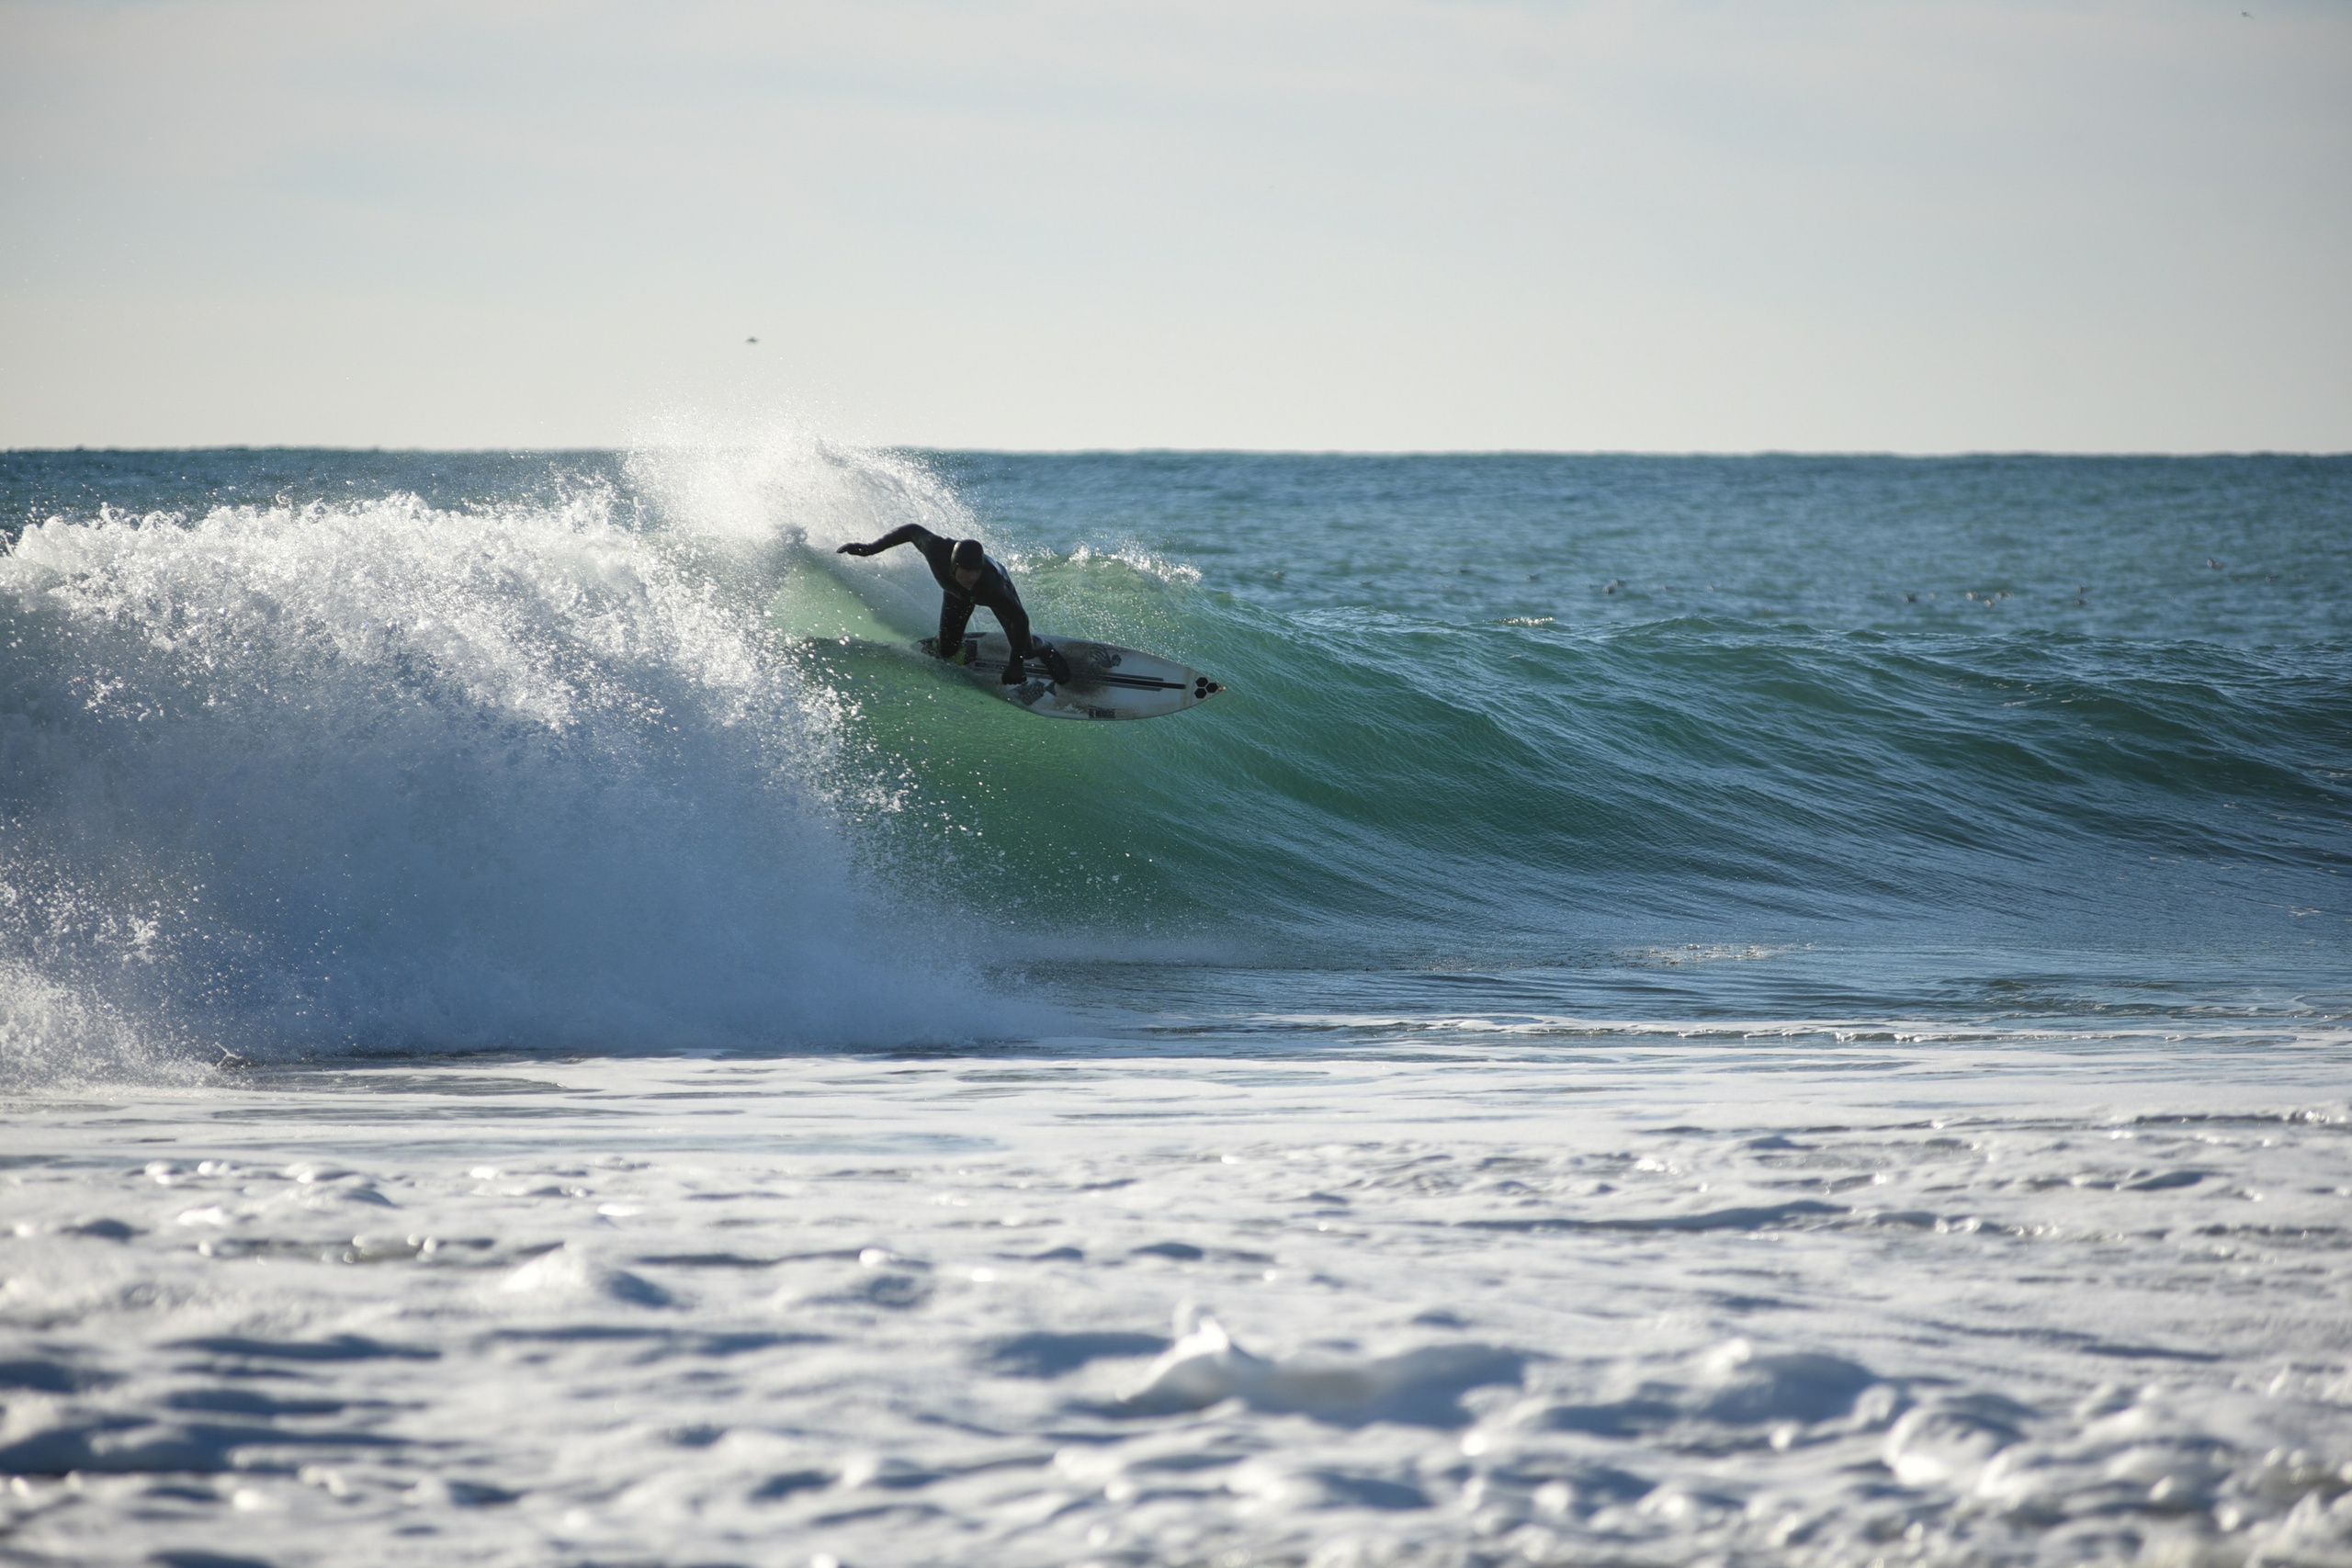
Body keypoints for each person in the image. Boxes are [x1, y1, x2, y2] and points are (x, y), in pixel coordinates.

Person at [835, 525, 1069, 684]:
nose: (971, 578)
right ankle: (960, 646)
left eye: (975, 572)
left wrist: (1016, 664)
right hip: (956, 597)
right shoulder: (936, 549)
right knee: (947, 650)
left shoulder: (992, 586)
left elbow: (1020, 618)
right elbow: (911, 531)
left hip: (997, 590)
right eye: (966, 572)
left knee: (1025, 649)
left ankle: (1045, 648)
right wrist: (870, 548)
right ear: (954, 566)